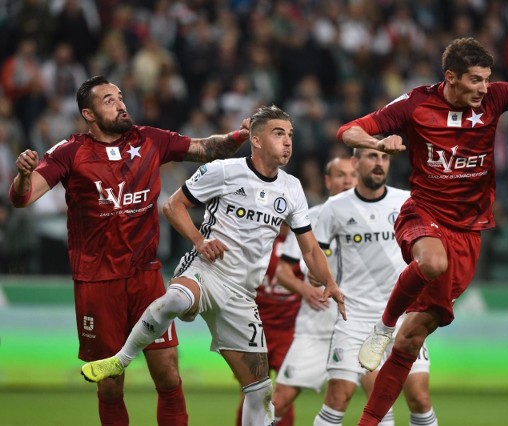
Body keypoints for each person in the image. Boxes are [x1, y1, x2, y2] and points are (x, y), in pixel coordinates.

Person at [335, 38, 508, 425]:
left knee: (411, 339)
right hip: (424, 213)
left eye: (486, 79)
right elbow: (348, 131)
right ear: (451, 77)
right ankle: (382, 326)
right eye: (475, 80)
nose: (483, 88)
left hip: (469, 231)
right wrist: (379, 142)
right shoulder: (415, 104)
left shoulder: (497, 97)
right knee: (431, 262)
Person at [80, 105, 347, 425]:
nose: (288, 142)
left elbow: (310, 249)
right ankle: (121, 360)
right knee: (177, 298)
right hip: (207, 270)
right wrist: (199, 241)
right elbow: (173, 206)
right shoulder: (224, 170)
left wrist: (330, 282)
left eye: (290, 135)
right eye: (279, 134)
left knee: (260, 391)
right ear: (256, 140)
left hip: (242, 294)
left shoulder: (291, 188)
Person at [8, 75, 251, 426]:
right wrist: (24, 176)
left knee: (168, 376)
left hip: (145, 278)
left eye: (120, 97)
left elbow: (207, 148)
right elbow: (23, 198)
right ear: (88, 114)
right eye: (109, 100)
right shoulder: (70, 152)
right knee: (110, 385)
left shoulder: (149, 139)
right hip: (97, 283)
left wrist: (238, 137)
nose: (121, 104)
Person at [312, 148, 437, 426]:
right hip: (355, 318)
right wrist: (319, 276)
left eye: (384, 158)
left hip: (403, 318)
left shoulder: (406, 202)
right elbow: (316, 254)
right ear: (356, 163)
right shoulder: (334, 207)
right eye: (372, 156)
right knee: (339, 395)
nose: (379, 163)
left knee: (419, 396)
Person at [272, 156, 357, 423]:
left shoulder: (375, 218)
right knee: (278, 401)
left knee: (378, 398)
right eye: (340, 175)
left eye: (352, 175)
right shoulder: (310, 219)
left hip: (358, 328)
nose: (347, 180)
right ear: (328, 181)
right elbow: (282, 272)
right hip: (315, 329)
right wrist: (304, 289)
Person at [234, 222, 304, 426]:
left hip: (289, 331)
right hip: (256, 330)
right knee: (252, 391)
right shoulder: (256, 242)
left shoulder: (301, 243)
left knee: (284, 393)